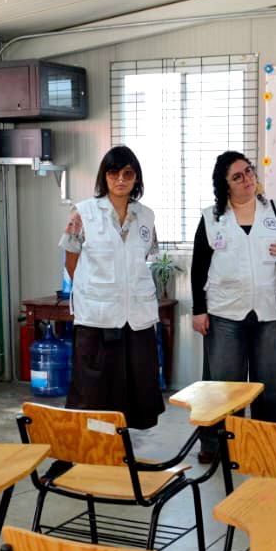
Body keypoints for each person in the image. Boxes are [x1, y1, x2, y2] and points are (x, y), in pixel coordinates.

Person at [190, 150, 276, 461]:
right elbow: (198, 268)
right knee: (223, 386)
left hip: (271, 311)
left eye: (249, 171)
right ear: (225, 184)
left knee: (273, 383)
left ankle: (273, 442)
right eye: (237, 176)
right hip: (224, 313)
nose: (247, 179)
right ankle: (216, 446)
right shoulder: (211, 218)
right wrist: (198, 310)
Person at [59, 145, 164, 430]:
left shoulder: (146, 216)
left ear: (136, 178)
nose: (120, 179)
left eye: (128, 173)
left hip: (137, 318)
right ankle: (94, 446)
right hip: (98, 319)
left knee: (136, 388)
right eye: (113, 172)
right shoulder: (83, 213)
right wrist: (95, 291)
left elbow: (143, 257)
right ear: (104, 176)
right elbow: (71, 261)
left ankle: (123, 444)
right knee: (95, 391)